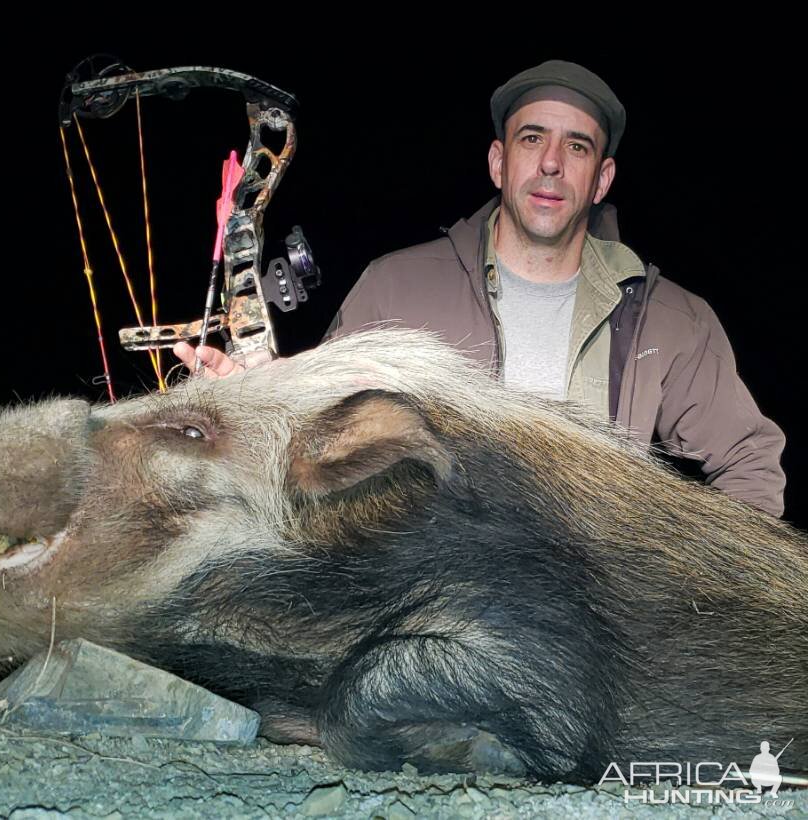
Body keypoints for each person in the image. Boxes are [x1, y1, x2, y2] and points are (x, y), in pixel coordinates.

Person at [175, 60, 786, 516]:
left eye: (577, 147)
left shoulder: (671, 319)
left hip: (595, 643)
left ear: (601, 180)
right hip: (424, 621)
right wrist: (251, 402)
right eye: (531, 138)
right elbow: (319, 435)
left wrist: (689, 610)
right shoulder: (396, 286)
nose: (551, 163)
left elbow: (750, 464)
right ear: (499, 162)